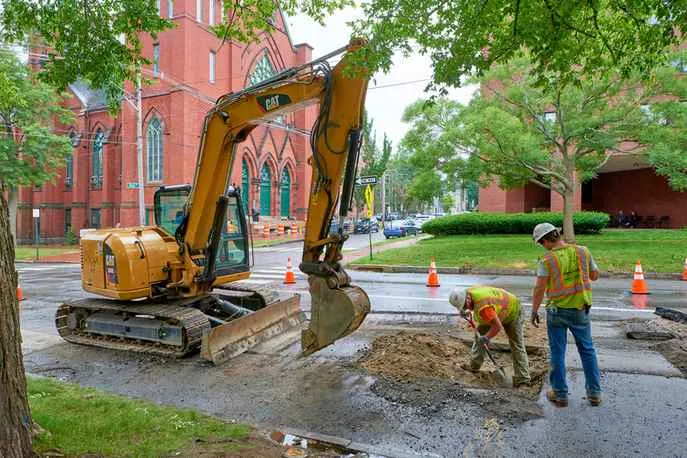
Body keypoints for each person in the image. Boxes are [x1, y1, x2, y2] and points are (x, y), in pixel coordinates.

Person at [530, 223, 602, 407]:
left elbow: (539, 288)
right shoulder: (582, 251)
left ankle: (560, 394)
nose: (542, 246)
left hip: (557, 311)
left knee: (557, 352)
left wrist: (534, 310)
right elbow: (595, 275)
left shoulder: (546, 260)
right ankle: (594, 393)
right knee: (587, 349)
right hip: (580, 309)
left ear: (545, 240)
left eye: (541, 243)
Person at [449, 286, 531, 388]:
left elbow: (497, 326)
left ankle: (523, 380)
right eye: (463, 307)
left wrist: (486, 338)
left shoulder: (483, 306)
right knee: (479, 337)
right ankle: (474, 366)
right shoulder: (467, 292)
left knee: (516, 344)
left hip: (513, 311)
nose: (466, 308)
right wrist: (463, 310)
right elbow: (471, 306)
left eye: (465, 305)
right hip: (497, 311)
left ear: (468, 298)